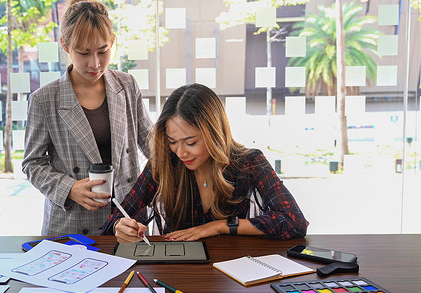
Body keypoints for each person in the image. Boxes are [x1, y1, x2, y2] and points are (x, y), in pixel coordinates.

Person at [102, 83, 308, 242]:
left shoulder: (249, 163)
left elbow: (294, 222)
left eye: (190, 142)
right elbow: (115, 220)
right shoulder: (164, 164)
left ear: (214, 134)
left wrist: (219, 226)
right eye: (173, 142)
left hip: (234, 275)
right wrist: (121, 225)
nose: (181, 152)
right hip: (179, 274)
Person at [22, 0, 152, 236]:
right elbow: (32, 164)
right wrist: (69, 189)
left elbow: (151, 143)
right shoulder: (44, 100)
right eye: (83, 53)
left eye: (103, 51)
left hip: (128, 216)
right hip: (72, 223)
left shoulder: (127, 85)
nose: (95, 63)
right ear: (65, 45)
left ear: (112, 41)